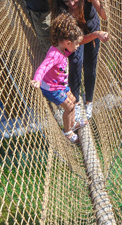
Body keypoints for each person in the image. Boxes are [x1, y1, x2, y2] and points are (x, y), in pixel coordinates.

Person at [50, 0, 109, 119]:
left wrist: (103, 2)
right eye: (66, 1)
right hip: (75, 37)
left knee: (90, 66)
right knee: (75, 63)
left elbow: (104, 15)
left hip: (92, 29)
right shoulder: (61, 12)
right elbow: (76, 40)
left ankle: (89, 102)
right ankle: (75, 102)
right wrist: (96, 35)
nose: (71, 4)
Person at [31, 13, 87, 144]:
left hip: (61, 85)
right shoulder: (54, 55)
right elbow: (43, 67)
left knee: (73, 100)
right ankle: (67, 131)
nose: (78, 46)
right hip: (52, 89)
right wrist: (37, 79)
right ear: (68, 43)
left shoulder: (63, 50)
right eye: (76, 44)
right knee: (69, 107)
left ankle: (72, 123)